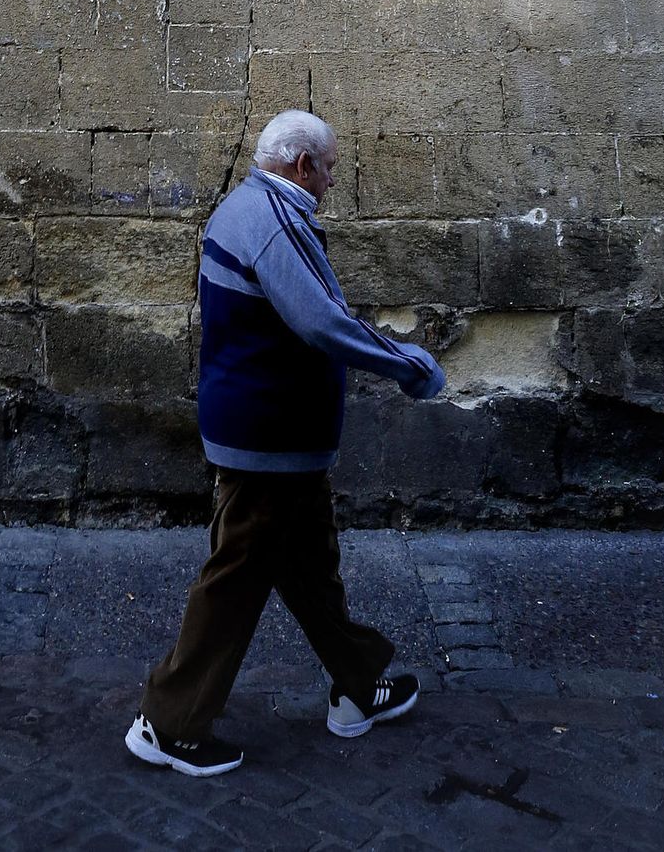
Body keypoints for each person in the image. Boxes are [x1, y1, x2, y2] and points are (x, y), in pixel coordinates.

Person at [125, 109, 446, 779]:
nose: (331, 182)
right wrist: (406, 364)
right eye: (327, 169)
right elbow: (321, 322)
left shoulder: (252, 206)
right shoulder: (271, 222)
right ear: (302, 165)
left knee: (309, 566)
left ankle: (358, 686)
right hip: (266, 439)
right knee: (237, 576)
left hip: (277, 436)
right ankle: (169, 725)